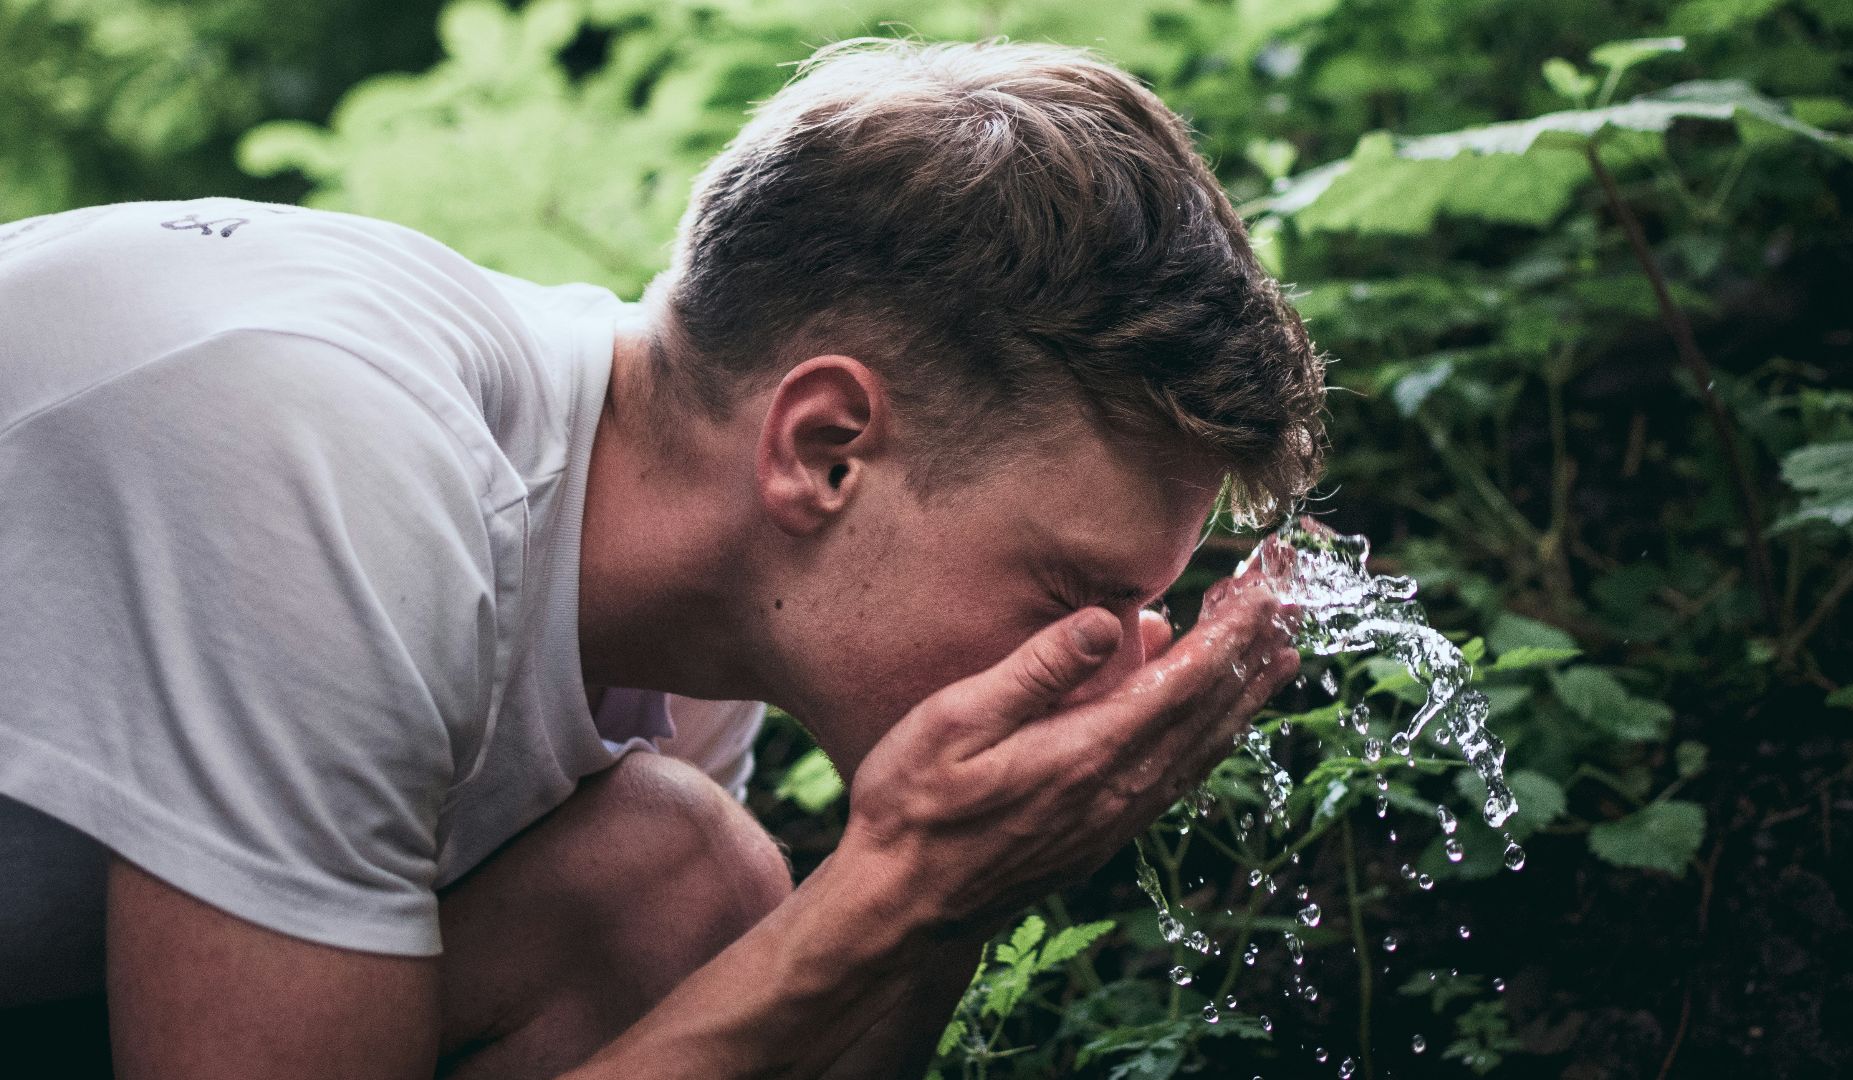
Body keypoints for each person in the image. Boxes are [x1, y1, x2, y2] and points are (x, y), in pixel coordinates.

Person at [0, 37, 1324, 1079]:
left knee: (674, 888)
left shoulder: (687, 599)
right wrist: (900, 879)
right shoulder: (334, 462)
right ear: (824, 449)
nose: (1102, 667)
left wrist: (955, 897)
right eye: (1077, 599)